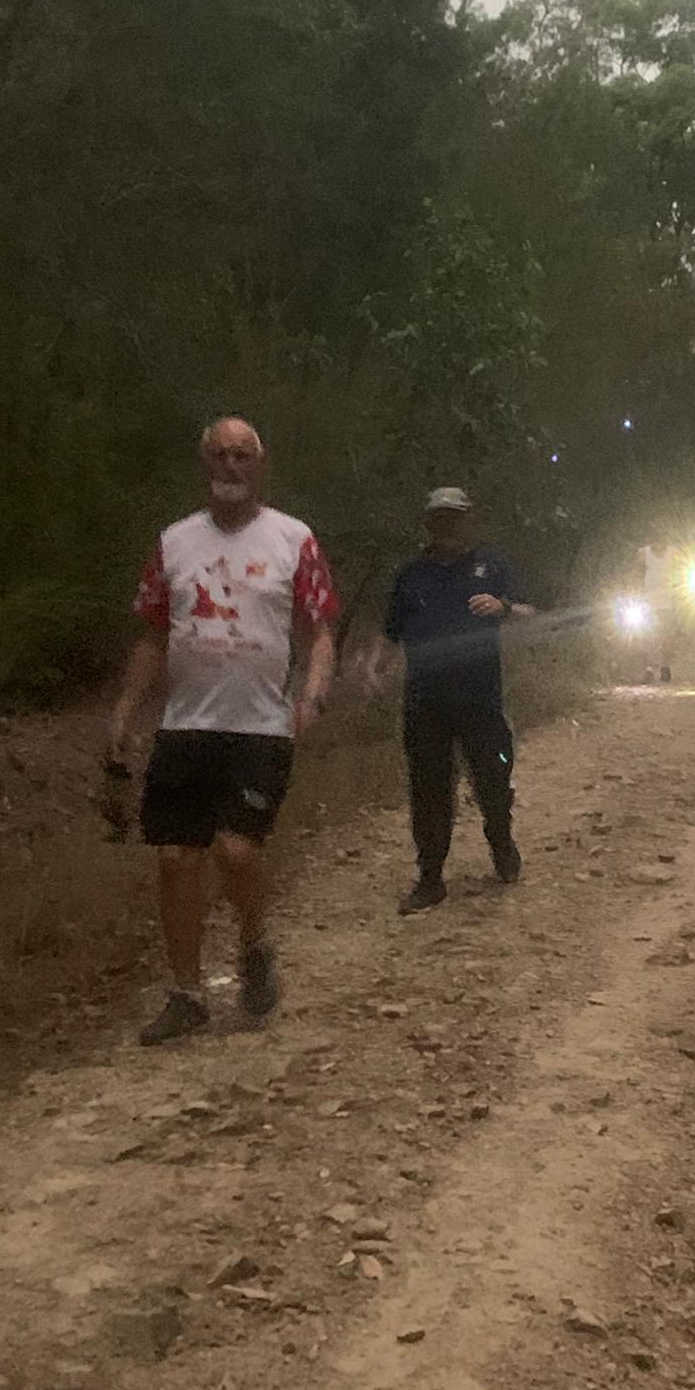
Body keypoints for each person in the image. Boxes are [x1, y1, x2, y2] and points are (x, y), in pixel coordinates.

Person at [108, 417, 339, 1045]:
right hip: (186, 724)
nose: (231, 466)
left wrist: (313, 694)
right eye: (220, 455)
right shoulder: (175, 542)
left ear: (260, 466)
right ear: (204, 464)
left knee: (236, 850)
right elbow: (152, 634)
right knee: (176, 857)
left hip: (262, 726)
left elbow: (320, 630)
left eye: (242, 455)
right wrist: (126, 710)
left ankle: (255, 944)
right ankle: (187, 994)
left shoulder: (293, 538)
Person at [372, 488, 533, 915]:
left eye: (454, 518)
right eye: (439, 518)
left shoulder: (491, 565)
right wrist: (374, 670)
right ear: (428, 523)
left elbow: (530, 612)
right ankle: (430, 877)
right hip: (425, 701)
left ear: (468, 520)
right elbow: (389, 633)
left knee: (493, 776)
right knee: (428, 789)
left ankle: (500, 839)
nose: (447, 526)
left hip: (481, 699)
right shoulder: (411, 575)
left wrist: (502, 606)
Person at [636, 531, 680, 684]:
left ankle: (665, 667)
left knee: (666, 637)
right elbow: (637, 574)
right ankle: (649, 668)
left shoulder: (674, 553)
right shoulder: (643, 553)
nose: (658, 544)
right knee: (648, 636)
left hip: (667, 601)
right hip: (648, 601)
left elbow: (681, 573)